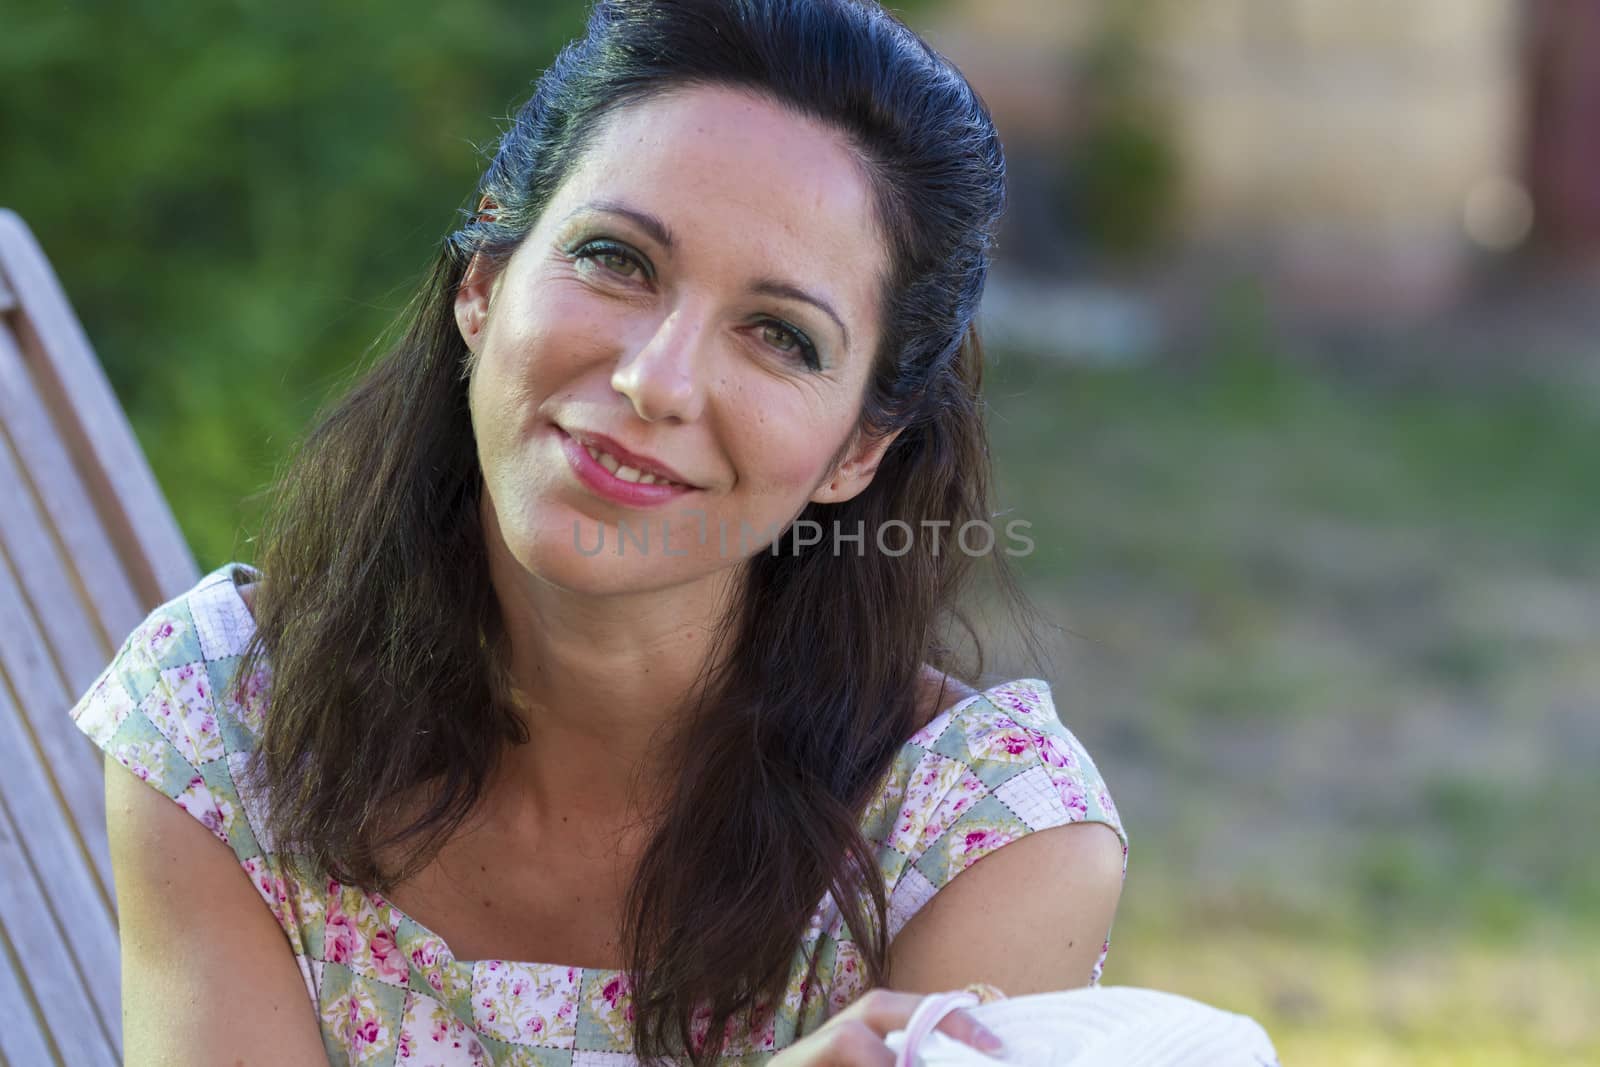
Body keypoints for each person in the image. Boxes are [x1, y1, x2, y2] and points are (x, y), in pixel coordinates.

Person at [68, 0, 1128, 1063]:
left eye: (778, 335)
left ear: (859, 447)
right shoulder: (225, 725)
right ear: (483, 282)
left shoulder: (982, 833)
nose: (655, 379)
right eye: (617, 259)